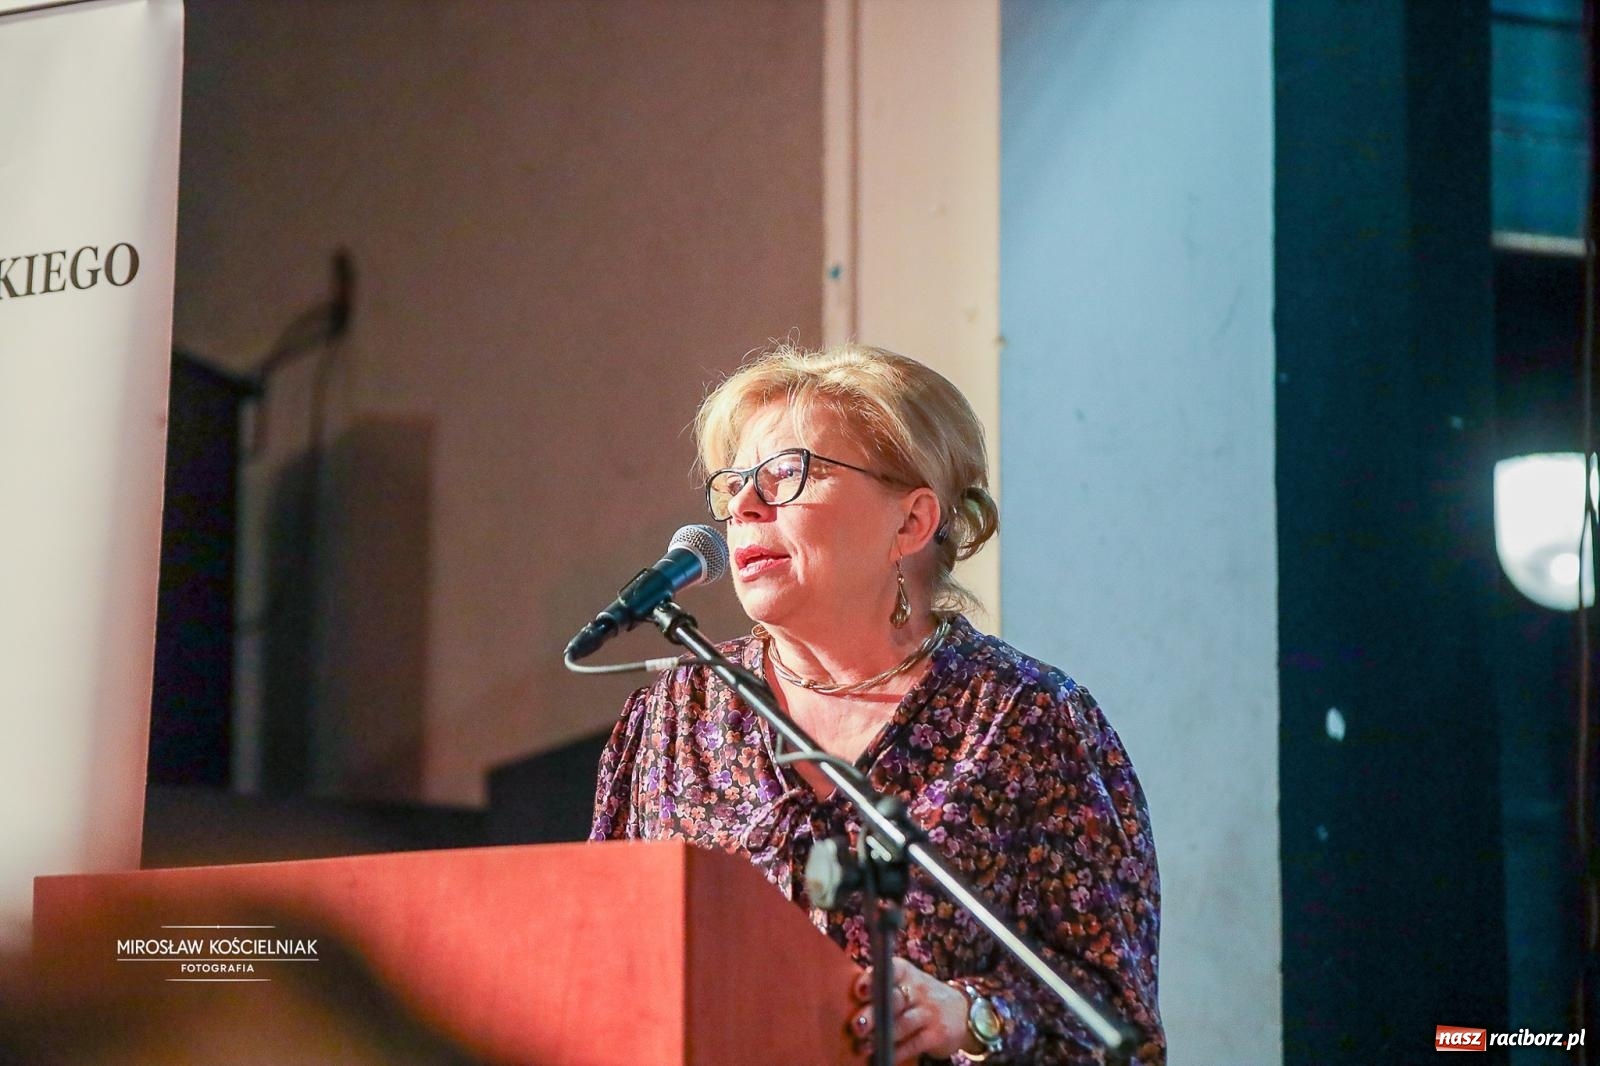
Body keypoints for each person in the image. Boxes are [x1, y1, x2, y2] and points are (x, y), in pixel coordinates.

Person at [590, 342, 1163, 1064]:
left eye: (789, 474)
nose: (744, 505)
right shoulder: (674, 718)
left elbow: (1122, 1033)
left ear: (911, 523)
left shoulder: (1027, 719)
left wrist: (976, 1018)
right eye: (734, 482)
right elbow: (607, 977)